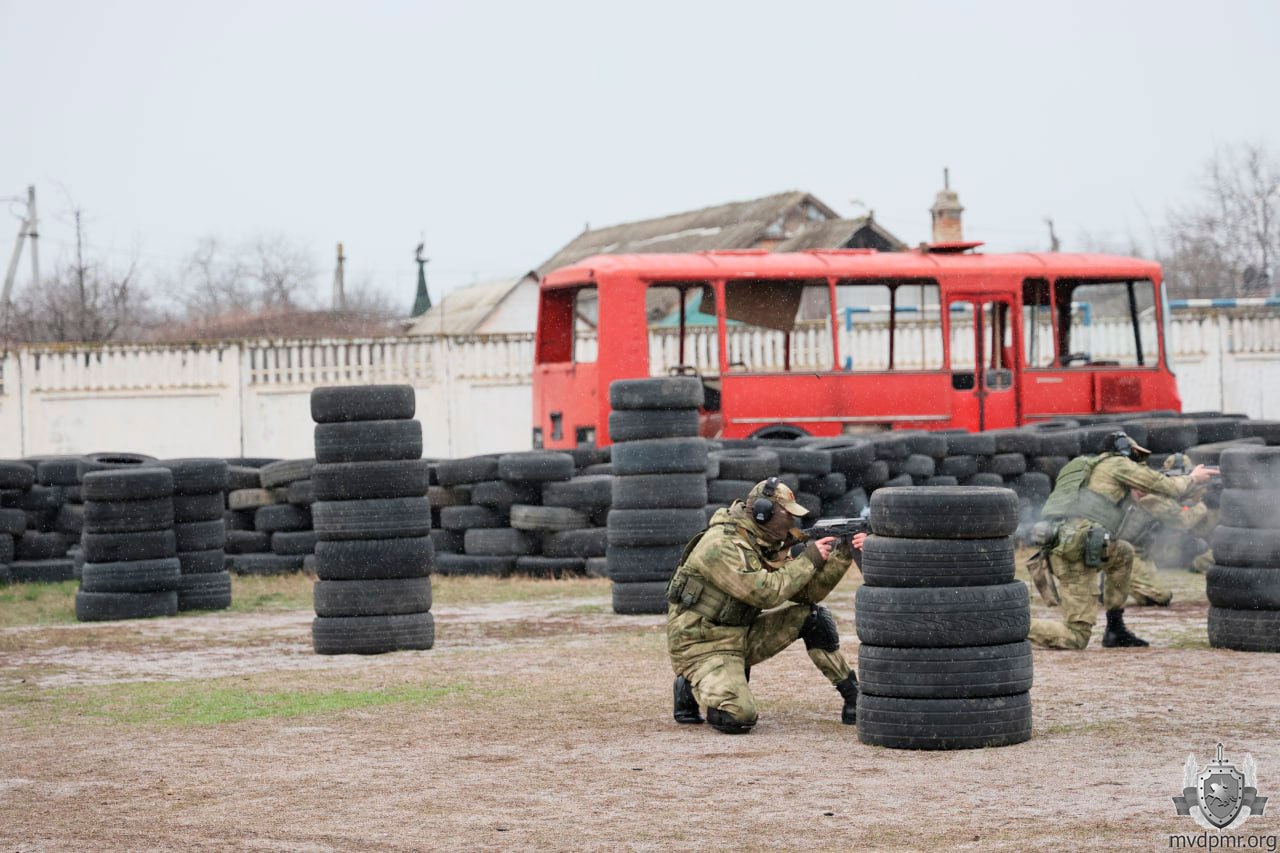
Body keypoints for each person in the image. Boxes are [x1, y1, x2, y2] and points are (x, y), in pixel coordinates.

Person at [665, 477, 865, 734]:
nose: (792, 523)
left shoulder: (761, 542)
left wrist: (841, 553)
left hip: (740, 633)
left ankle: (854, 698)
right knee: (738, 717)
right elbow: (766, 594)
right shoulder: (720, 545)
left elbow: (808, 594)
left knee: (813, 617)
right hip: (701, 644)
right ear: (763, 514)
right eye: (787, 516)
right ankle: (690, 682)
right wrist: (809, 560)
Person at [1027, 431, 1213, 650]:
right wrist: (1193, 479)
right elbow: (1166, 486)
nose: (1138, 467)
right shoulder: (1117, 464)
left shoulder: (1089, 468)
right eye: (1136, 460)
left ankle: (1115, 628)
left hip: (1073, 541)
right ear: (1124, 451)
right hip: (1075, 549)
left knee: (1122, 552)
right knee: (1075, 637)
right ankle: (1006, 626)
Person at [1122, 453, 1218, 606]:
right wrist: (1202, 505)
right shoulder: (1151, 498)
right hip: (1127, 553)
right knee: (1160, 598)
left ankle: (1115, 582)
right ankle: (1113, 581)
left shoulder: (1161, 496)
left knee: (1152, 595)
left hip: (1142, 554)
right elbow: (1183, 521)